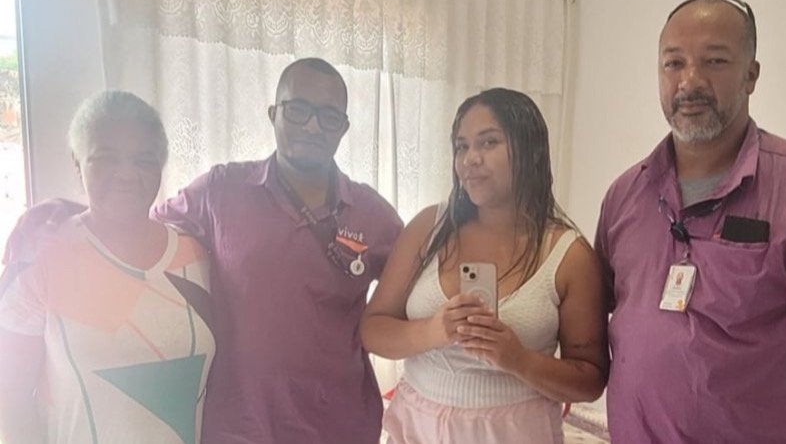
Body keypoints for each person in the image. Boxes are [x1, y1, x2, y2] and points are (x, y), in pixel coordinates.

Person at [3, 58, 403, 443]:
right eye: (298, 110)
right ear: (273, 114)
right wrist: (67, 214)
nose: (312, 126)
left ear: (344, 127)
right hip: (241, 430)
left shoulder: (374, 216)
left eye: (329, 116)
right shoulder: (221, 191)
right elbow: (138, 215)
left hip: (340, 425)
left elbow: (413, 298)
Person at [595, 0, 786, 442]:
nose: (690, 81)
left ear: (751, 75)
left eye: (714, 61)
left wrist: (768, 395)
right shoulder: (626, 196)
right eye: (674, 63)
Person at [361, 88, 609, 443]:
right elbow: (372, 329)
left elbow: (590, 380)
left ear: (530, 150)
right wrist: (433, 331)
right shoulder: (428, 228)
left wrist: (517, 359)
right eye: (461, 146)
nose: (470, 159)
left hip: (516, 432)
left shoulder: (569, 255)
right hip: (420, 428)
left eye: (489, 142)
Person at [0, 91, 215, 444]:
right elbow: (11, 402)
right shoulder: (39, 257)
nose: (126, 174)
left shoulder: (196, 256)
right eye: (105, 158)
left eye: (144, 160)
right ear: (77, 162)